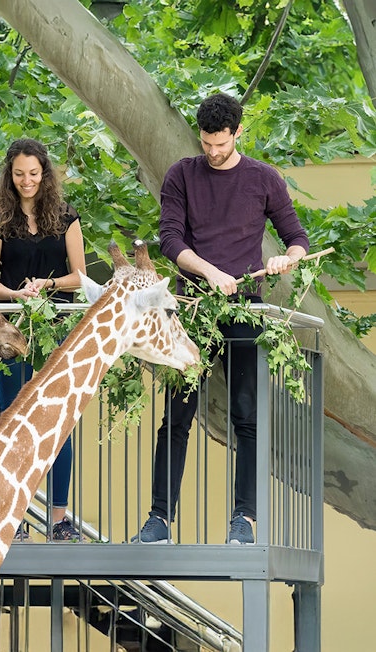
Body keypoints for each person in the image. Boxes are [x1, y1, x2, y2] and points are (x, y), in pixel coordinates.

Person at [133, 92, 309, 545]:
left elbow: (296, 237)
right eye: (206, 143)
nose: (212, 152)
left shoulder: (263, 179)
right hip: (192, 309)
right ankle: (159, 519)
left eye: (221, 144)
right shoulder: (182, 175)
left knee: (247, 416)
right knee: (176, 416)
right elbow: (170, 239)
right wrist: (210, 273)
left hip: (244, 310)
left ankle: (244, 520)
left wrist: (287, 259)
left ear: (237, 133)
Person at [0, 138, 87, 542]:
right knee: (13, 427)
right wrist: (17, 294)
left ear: (45, 174)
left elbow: (80, 276)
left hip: (57, 329)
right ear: (10, 175)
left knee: (57, 424)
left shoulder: (66, 216)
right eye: (19, 174)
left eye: (34, 173)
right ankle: (16, 518)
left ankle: (59, 519)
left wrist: (49, 284)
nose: (27, 181)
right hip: (11, 332)